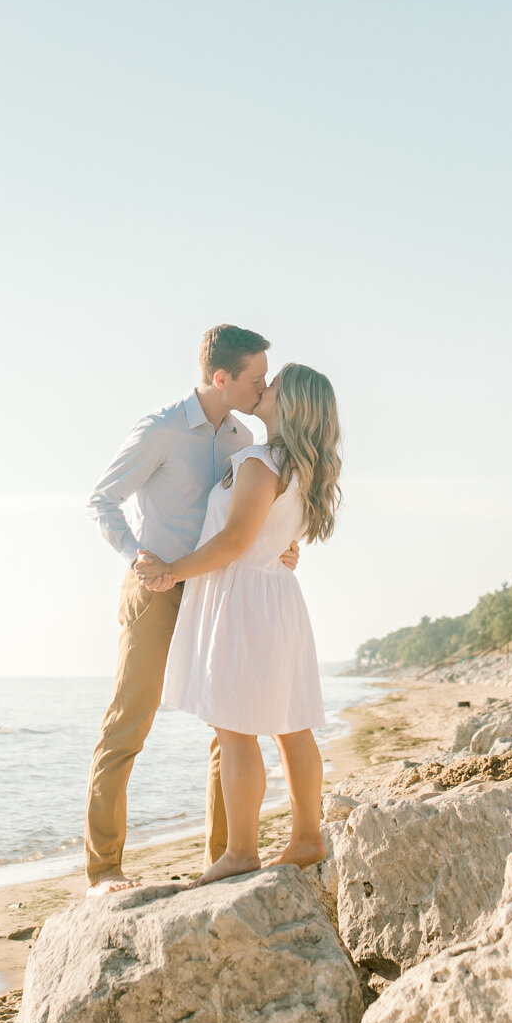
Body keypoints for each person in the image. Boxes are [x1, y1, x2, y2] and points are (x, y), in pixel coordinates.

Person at [83, 325, 298, 898]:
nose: (264, 388)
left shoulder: (243, 437)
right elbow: (101, 500)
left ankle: (226, 859)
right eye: (256, 379)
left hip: (219, 593)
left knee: (227, 726)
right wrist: (138, 557)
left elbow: (243, 518)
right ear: (222, 378)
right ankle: (104, 871)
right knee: (128, 725)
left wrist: (279, 543)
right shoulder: (161, 429)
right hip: (157, 591)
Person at [133, 364, 341, 885]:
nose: (262, 389)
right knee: (291, 724)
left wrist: (170, 571)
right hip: (276, 595)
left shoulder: (259, 462)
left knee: (236, 727)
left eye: (272, 387)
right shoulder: (302, 470)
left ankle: (242, 851)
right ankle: (306, 838)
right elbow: (271, 536)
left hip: (245, 596)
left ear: (289, 405)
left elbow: (233, 543)